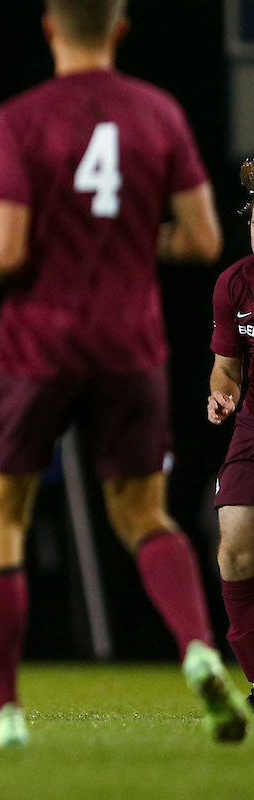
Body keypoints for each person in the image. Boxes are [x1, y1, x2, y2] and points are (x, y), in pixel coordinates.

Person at [0, 0, 249, 748]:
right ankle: (197, 649)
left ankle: (4, 716)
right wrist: (127, 239)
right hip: (132, 347)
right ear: (121, 28)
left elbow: (4, 250)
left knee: (1, 518)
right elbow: (202, 238)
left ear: (49, 27)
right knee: (141, 517)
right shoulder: (158, 113)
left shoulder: (22, 117)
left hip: (37, 347)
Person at [206, 158, 254, 712]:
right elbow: (227, 367)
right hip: (253, 429)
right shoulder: (235, 282)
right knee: (236, 552)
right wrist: (221, 393)